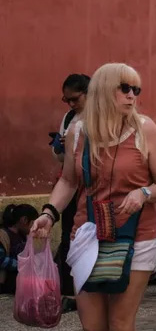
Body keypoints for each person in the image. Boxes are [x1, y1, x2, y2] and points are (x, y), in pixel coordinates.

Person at [30, 62, 156, 331]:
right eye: (125, 88)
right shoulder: (79, 132)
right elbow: (67, 180)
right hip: (90, 236)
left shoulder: (146, 130)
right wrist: (49, 213)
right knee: (92, 324)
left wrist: (142, 193)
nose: (132, 96)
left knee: (119, 322)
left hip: (137, 237)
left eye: (137, 90)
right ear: (104, 91)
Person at [54, 73, 91, 304]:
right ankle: (69, 287)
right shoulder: (68, 118)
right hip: (73, 184)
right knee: (70, 231)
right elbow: (60, 158)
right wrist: (60, 145)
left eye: (75, 99)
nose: (71, 104)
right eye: (66, 100)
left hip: (95, 187)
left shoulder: (100, 117)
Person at [0, 204, 39, 294]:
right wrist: (22, 265)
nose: (34, 227)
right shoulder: (3, 236)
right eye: (33, 223)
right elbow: (1, 259)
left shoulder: (22, 235)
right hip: (8, 280)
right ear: (24, 220)